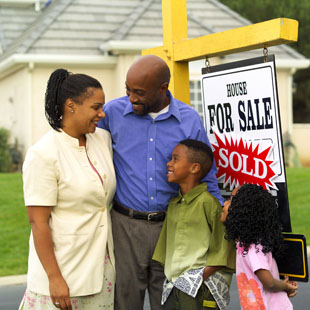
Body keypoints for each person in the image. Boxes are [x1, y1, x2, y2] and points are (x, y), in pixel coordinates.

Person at [98, 55, 224, 310]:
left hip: (174, 228)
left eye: (139, 92)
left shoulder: (189, 120)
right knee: (125, 303)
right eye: (128, 90)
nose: (132, 98)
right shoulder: (112, 113)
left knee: (169, 303)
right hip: (125, 227)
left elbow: (206, 177)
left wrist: (220, 214)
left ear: (163, 88)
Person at [19, 69, 116, 310]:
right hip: (63, 272)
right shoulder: (43, 154)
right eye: (96, 107)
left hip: (101, 268)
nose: (102, 114)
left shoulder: (102, 140)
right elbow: (38, 223)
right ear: (71, 105)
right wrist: (54, 278)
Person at [152, 139, 235, 310]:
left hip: (200, 288)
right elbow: (164, 251)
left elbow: (224, 249)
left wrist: (197, 277)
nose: (169, 163)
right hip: (173, 286)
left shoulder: (209, 203)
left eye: (175, 159)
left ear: (194, 168)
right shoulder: (174, 204)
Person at [223, 184, 298, 310]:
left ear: (243, 211)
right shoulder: (243, 243)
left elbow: (268, 282)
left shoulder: (253, 248)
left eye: (231, 199)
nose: (225, 203)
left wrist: (285, 287)